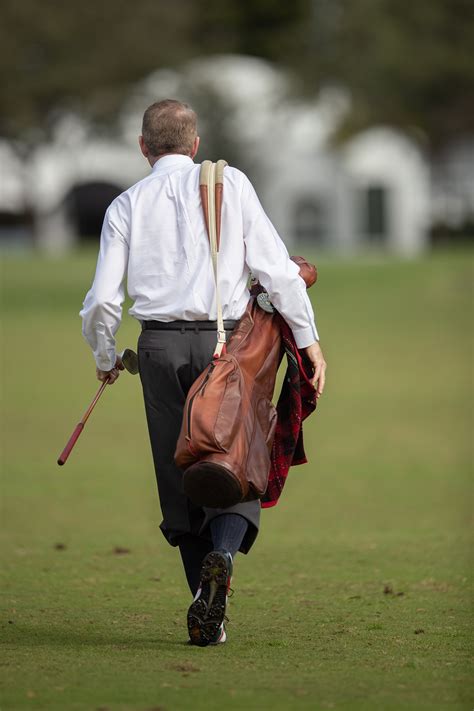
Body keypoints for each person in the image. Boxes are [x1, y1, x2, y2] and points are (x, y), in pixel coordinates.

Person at [80, 99, 327, 646]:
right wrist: (308, 341)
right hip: (228, 350)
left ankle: (205, 611)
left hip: (158, 351)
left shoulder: (125, 204)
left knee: (181, 477)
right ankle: (222, 556)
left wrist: (104, 357)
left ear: (143, 148)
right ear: (195, 145)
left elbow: (102, 301)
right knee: (233, 464)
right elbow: (278, 271)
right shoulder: (231, 183)